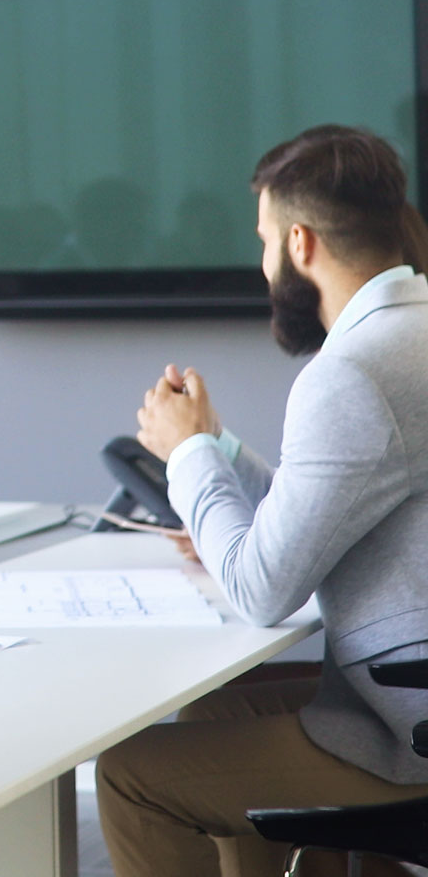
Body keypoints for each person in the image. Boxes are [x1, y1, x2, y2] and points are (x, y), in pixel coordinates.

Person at [96, 124, 428, 877]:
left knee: (130, 776)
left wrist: (184, 454)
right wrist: (214, 447)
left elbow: (260, 588)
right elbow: (337, 510)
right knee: (216, 712)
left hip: (403, 730)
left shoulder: (354, 373)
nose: (264, 261)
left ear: (301, 243)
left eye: (265, 240)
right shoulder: (413, 332)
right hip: (404, 693)